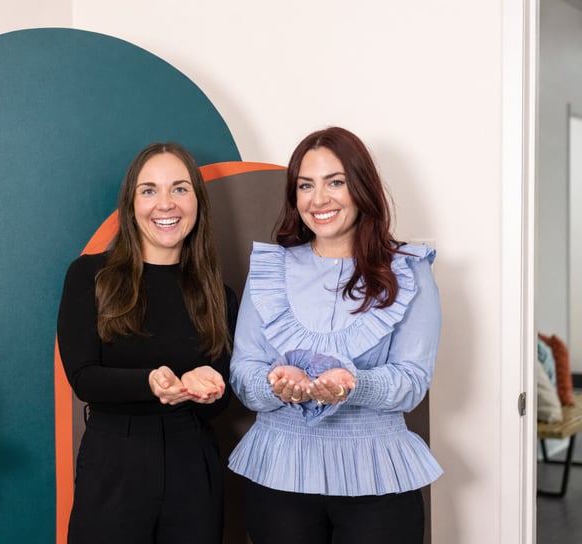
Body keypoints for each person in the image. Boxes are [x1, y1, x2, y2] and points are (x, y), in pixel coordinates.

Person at [228, 126, 442, 544]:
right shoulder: (271, 270)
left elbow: (413, 382)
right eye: (305, 185)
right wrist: (277, 386)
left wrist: (354, 385)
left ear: (362, 188)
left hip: (377, 479)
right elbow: (243, 374)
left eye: (335, 182)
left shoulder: (410, 271)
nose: (318, 199)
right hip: (278, 475)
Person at [57, 142, 238, 544]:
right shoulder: (91, 276)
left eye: (179, 188)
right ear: (131, 202)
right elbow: (84, 377)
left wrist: (210, 386)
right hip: (113, 461)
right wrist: (150, 382)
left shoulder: (217, 295)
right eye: (149, 190)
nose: (165, 204)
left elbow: (224, 398)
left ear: (197, 201)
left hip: (193, 464)